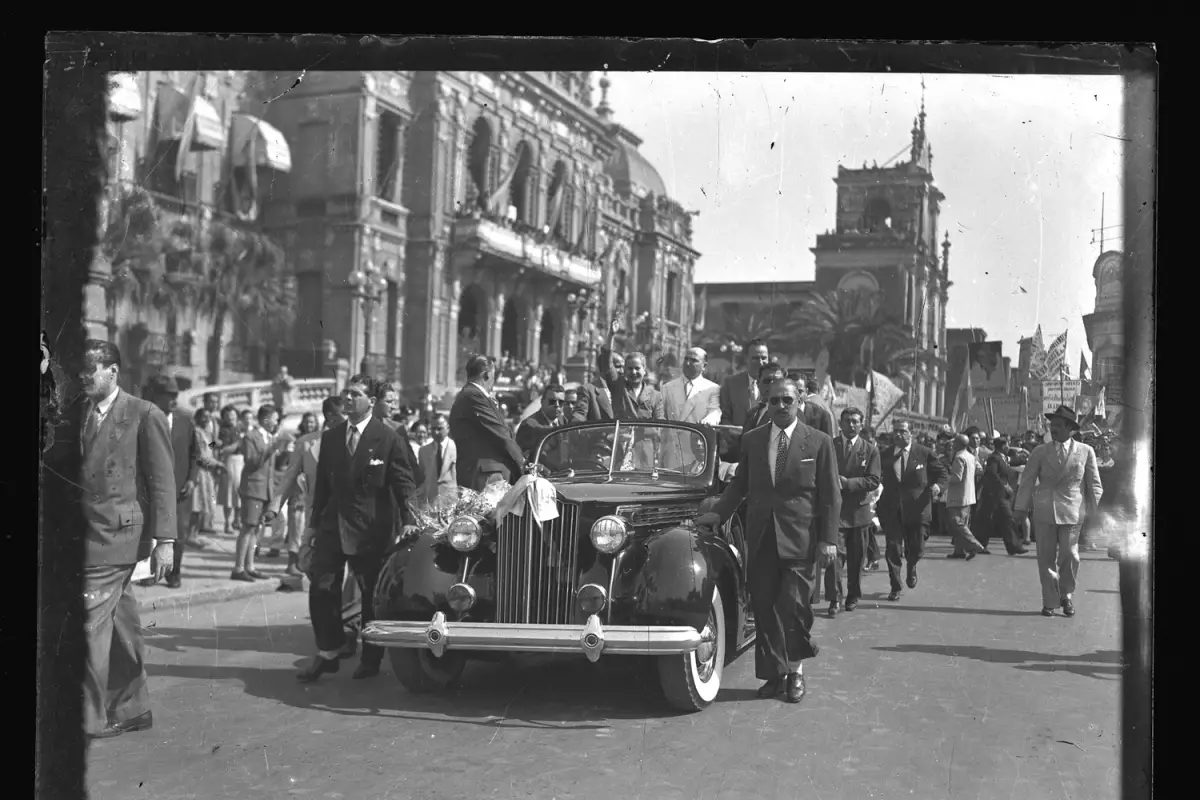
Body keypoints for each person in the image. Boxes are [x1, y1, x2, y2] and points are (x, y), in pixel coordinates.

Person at [696, 378, 841, 705]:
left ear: (799, 400)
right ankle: (775, 675)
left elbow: (831, 496)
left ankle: (796, 672)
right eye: (774, 400)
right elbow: (739, 485)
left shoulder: (818, 442)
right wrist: (718, 514)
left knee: (794, 608)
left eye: (787, 400)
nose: (780, 406)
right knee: (764, 608)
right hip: (761, 537)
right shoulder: (754, 440)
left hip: (800, 540)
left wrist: (829, 540)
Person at [78, 340, 175, 739]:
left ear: (113, 371)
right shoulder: (78, 414)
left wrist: (165, 539)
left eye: (90, 372)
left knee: (83, 623)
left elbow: (162, 479)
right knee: (120, 624)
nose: (83, 380)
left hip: (117, 534)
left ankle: (82, 718)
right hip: (84, 534)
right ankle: (132, 708)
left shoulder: (143, 413)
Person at [297, 374, 421, 681]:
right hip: (332, 526)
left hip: (370, 530)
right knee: (321, 588)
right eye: (346, 393)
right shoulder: (331, 437)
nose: (348, 398)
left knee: (370, 597)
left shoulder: (389, 437)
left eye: (355, 394)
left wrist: (408, 520)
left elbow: (405, 482)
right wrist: (311, 532)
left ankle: (371, 657)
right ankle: (328, 651)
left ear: (372, 402)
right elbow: (322, 491)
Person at [1015, 405, 1103, 618]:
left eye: (1057, 425)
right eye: (1051, 425)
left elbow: (1095, 484)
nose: (1052, 428)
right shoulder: (1039, 452)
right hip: (1045, 511)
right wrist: (1020, 508)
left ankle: (1067, 594)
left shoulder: (1085, 451)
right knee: (1045, 558)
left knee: (1070, 555)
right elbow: (1026, 482)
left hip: (1073, 511)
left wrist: (1095, 511)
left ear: (1070, 429)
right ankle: (1050, 601)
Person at [877, 420, 947, 602]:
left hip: (917, 508)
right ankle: (895, 586)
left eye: (903, 431)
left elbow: (942, 474)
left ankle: (912, 566)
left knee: (916, 549)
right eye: (896, 431)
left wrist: (938, 486)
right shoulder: (884, 454)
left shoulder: (924, 453)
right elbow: (875, 475)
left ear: (911, 433)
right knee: (892, 547)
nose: (898, 435)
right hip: (892, 508)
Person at [143, 375, 201, 589]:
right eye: (169, 395)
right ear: (157, 396)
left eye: (175, 395)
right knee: (151, 533)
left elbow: (196, 454)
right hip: (152, 489)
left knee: (179, 535)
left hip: (180, 491)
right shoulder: (145, 419)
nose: (173, 400)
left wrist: (193, 480)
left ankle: (174, 574)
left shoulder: (185, 421)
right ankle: (150, 573)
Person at [451, 355, 525, 489]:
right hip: (487, 475)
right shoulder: (473, 395)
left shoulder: (471, 394)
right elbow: (500, 432)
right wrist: (523, 463)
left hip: (486, 472)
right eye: (494, 375)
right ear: (487, 374)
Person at [836, 407, 882, 614]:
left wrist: (848, 483)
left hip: (859, 512)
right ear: (840, 423)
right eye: (847, 421)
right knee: (834, 559)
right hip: (835, 512)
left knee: (856, 559)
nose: (851, 425)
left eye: (855, 421)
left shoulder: (870, 449)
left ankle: (852, 595)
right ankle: (834, 597)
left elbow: (874, 480)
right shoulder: (830, 445)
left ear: (861, 425)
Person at [233, 404, 284, 582]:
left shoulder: (268, 437)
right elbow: (252, 461)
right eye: (275, 419)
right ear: (266, 419)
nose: (276, 423)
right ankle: (238, 568)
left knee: (256, 529)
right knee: (248, 527)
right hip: (253, 488)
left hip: (264, 489)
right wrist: (272, 448)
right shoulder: (250, 437)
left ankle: (249, 566)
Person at [978, 436, 1029, 556]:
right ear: (1003, 446)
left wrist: (1026, 457)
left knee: (1006, 520)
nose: (1009, 447)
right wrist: (1004, 486)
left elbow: (1015, 460)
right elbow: (992, 474)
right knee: (991, 521)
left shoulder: (1003, 458)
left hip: (1000, 496)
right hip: (994, 495)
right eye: (1007, 444)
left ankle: (1013, 546)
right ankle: (979, 545)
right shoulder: (994, 459)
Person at [188, 408, 225, 555]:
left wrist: (217, 442)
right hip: (199, 471)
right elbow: (201, 455)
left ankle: (195, 534)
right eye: (203, 417)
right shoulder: (196, 433)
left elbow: (210, 448)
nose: (206, 419)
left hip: (207, 472)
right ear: (197, 418)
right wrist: (217, 464)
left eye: (208, 417)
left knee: (202, 503)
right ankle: (190, 535)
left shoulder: (206, 433)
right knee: (196, 505)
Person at [946, 433, 988, 561]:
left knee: (957, 522)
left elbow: (957, 478)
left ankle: (974, 545)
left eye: (954, 443)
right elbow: (979, 471)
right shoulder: (971, 456)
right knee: (963, 523)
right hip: (969, 495)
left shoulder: (959, 457)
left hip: (958, 495)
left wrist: (945, 477)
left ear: (958, 444)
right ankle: (959, 551)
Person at [719, 338, 771, 427]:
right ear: (746, 359)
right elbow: (724, 416)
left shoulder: (777, 384)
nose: (760, 362)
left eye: (763, 358)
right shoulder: (731, 384)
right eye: (755, 358)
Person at [662, 347, 721, 425]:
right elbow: (660, 415)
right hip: (672, 436)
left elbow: (715, 412)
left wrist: (708, 421)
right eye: (686, 359)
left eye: (694, 360)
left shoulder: (713, 389)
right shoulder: (667, 388)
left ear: (704, 366)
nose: (688, 363)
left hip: (697, 435)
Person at [517, 383, 569, 458]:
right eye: (552, 401)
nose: (557, 405)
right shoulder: (529, 425)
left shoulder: (564, 421)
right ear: (542, 402)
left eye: (561, 402)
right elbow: (523, 457)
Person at [215, 405, 244, 534]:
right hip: (229, 461)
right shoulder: (222, 430)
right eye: (228, 416)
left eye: (233, 415)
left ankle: (237, 520)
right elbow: (218, 447)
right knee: (228, 494)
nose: (231, 418)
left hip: (241, 461)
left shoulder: (240, 428)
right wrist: (238, 443)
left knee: (239, 492)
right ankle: (227, 522)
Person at [418, 413, 457, 503]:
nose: (435, 432)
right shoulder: (423, 451)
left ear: (448, 428)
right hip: (431, 502)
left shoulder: (457, 449)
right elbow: (421, 479)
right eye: (433, 429)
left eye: (439, 429)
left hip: (452, 501)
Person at [741, 362, 786, 434]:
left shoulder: (790, 412)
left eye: (776, 381)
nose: (771, 385)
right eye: (767, 381)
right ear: (758, 383)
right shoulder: (752, 413)